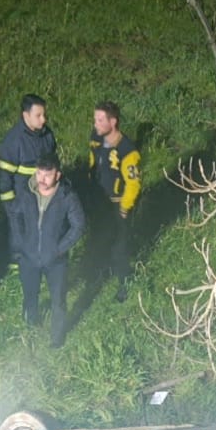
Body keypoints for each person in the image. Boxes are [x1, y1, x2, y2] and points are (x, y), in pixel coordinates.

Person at [8, 150, 86, 348]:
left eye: (47, 174)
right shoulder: (26, 192)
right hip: (29, 257)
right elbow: (15, 215)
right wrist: (21, 242)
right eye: (39, 173)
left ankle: (56, 338)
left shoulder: (67, 196)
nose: (42, 179)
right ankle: (30, 326)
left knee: (58, 299)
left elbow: (78, 225)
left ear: (57, 175)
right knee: (29, 295)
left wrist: (60, 249)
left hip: (55, 260)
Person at [87, 100, 143, 302]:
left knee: (120, 246)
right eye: (95, 119)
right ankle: (101, 273)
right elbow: (93, 161)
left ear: (113, 122)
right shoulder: (96, 138)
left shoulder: (128, 150)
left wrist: (125, 207)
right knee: (100, 239)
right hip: (100, 202)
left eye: (100, 120)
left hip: (117, 204)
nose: (96, 124)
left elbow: (133, 183)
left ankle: (124, 283)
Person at [0, 94, 57, 235]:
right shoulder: (13, 140)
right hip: (22, 204)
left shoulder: (47, 135)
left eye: (44, 114)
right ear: (26, 115)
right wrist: (12, 207)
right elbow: (4, 178)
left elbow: (53, 165)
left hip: (45, 200)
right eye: (38, 115)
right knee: (21, 244)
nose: (44, 119)